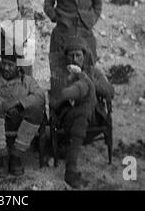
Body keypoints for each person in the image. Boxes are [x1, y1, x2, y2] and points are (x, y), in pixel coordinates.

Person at [49, 36, 114, 188]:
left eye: (78, 55)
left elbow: (110, 91)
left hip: (94, 116)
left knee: (85, 105)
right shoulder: (60, 74)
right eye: (71, 55)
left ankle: (70, 170)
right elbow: (55, 99)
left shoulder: (93, 72)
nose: (74, 58)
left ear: (84, 56)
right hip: (69, 118)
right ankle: (70, 170)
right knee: (82, 112)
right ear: (66, 57)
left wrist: (85, 78)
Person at [0, 53, 46, 177]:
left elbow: (40, 96)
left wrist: (19, 103)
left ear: (18, 67)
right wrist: (2, 105)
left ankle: (15, 155)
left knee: (37, 111)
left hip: (21, 121)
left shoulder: (27, 81)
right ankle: (2, 156)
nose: (6, 68)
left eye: (10, 65)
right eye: (4, 63)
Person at [44, 0, 102, 88]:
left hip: (85, 31)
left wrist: (91, 19)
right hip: (63, 32)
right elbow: (47, 4)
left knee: (88, 70)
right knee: (59, 72)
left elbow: (98, 4)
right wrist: (56, 18)